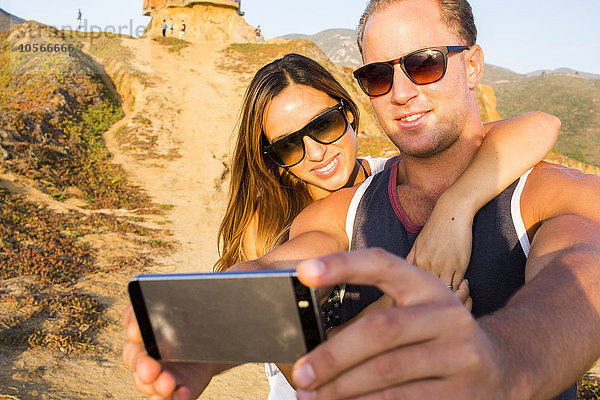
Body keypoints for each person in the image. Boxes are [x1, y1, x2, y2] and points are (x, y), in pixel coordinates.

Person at [122, 52, 564, 398]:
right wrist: (394, 309)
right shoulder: (269, 225)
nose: (315, 152)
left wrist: (455, 208)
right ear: (274, 162)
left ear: (349, 113)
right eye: (289, 146)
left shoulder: (392, 179)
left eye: (325, 125)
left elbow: (540, 124)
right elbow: (305, 372)